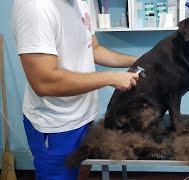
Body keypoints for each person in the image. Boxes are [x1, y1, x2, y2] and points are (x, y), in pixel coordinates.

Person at [12, 0, 139, 179]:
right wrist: (110, 78)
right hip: (57, 126)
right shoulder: (35, 6)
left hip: (85, 118)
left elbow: (93, 49)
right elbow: (44, 82)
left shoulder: (80, 3)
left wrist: (139, 60)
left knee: (82, 171)